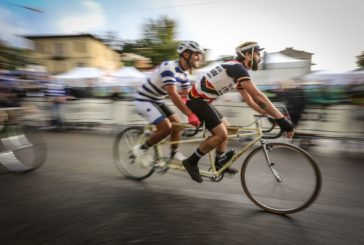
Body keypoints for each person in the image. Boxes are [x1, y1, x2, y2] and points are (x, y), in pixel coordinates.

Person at [182, 41, 295, 183]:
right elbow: (258, 96)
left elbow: (250, 101)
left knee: (227, 129)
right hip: (195, 102)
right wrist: (281, 120)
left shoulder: (236, 71)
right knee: (221, 133)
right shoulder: (237, 68)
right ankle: (191, 162)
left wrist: (268, 114)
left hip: (203, 102)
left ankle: (219, 161)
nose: (259, 58)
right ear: (247, 54)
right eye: (258, 54)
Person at [132, 41, 204, 162]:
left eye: (200, 55)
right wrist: (190, 114)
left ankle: (174, 153)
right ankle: (140, 149)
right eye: (197, 54)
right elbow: (172, 93)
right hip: (143, 99)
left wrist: (198, 114)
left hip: (157, 100)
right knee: (166, 128)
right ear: (186, 54)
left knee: (178, 126)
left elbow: (185, 97)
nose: (200, 58)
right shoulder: (169, 67)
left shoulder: (185, 75)